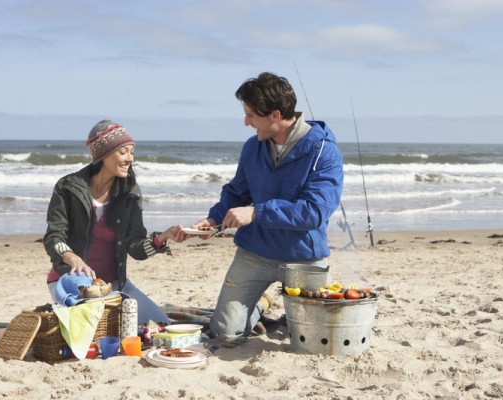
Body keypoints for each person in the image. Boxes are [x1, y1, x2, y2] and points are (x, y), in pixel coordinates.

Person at [181, 72, 344, 338]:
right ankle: (260, 305)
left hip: (303, 256)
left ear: (275, 115)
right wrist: (214, 220)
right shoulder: (252, 148)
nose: (246, 122)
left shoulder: (324, 153)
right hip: (255, 252)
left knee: (308, 337)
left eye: (251, 115)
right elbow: (236, 193)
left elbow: (314, 213)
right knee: (225, 334)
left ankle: (273, 310)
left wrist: (257, 212)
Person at [43, 119, 183, 325]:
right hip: (70, 282)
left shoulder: (130, 192)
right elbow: (54, 236)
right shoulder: (68, 187)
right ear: (104, 154)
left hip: (112, 285)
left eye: (132, 152)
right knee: (101, 324)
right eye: (123, 152)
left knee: (161, 326)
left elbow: (135, 248)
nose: (129, 159)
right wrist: (73, 258)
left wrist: (162, 238)